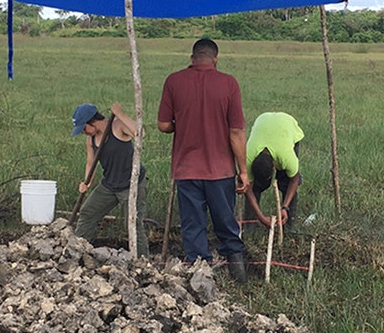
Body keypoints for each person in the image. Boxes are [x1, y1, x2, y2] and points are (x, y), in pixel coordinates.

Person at [157, 38, 250, 282]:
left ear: (192, 58)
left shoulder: (173, 81)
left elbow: (163, 125)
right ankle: (238, 272)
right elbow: (237, 132)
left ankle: (201, 276)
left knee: (193, 225)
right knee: (226, 221)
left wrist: (182, 123)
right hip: (220, 170)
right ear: (215, 58)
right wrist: (243, 170)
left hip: (186, 168)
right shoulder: (228, 83)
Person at [70, 102, 149, 256]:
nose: (83, 133)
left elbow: (140, 133)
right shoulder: (91, 140)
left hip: (131, 185)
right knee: (87, 212)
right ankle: (77, 252)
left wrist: (120, 113)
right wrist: (87, 182)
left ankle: (143, 262)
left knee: (133, 224)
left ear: (92, 122)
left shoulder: (118, 127)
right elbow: (90, 163)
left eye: (84, 128)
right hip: (109, 185)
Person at [243, 112, 304, 229]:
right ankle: (250, 227)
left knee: (286, 182)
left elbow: (294, 180)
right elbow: (248, 188)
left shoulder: (286, 157)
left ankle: (288, 225)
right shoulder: (247, 157)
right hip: (263, 119)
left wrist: (285, 207)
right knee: (256, 186)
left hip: (287, 125)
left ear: (274, 167)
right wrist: (261, 217)